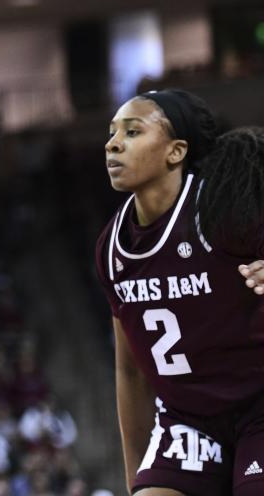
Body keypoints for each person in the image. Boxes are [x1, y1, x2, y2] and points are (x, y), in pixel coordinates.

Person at [96, 89, 264, 495]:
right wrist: (136, 480)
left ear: (176, 152)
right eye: (112, 132)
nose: (113, 144)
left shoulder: (224, 208)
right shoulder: (112, 247)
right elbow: (131, 370)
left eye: (133, 132)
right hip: (188, 419)